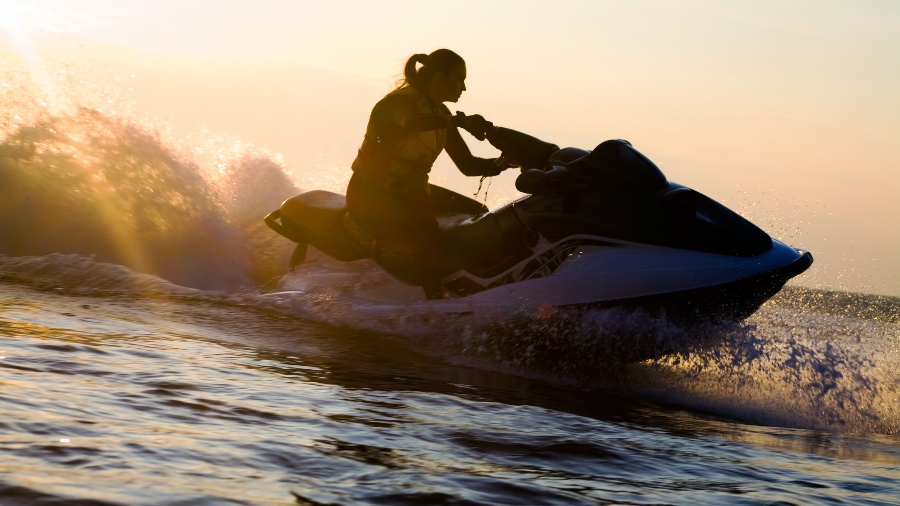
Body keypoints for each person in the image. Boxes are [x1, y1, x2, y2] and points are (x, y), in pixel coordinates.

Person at [346, 49, 509, 299]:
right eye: (459, 79)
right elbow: (411, 123)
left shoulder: (441, 115)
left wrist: (509, 162)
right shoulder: (397, 103)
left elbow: (468, 165)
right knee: (425, 228)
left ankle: (476, 284)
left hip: (409, 194)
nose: (463, 88)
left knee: (479, 215)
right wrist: (458, 122)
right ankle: (433, 300)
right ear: (440, 78)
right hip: (369, 197)